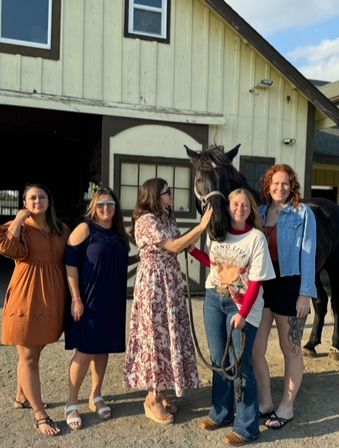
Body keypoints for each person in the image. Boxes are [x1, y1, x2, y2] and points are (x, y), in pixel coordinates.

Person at [123, 178, 213, 425]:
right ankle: (151, 399)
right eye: (167, 192)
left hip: (170, 282)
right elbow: (173, 245)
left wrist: (213, 262)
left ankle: (161, 391)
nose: (171, 195)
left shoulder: (167, 217)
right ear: (154, 196)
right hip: (154, 285)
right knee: (155, 336)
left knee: (169, 334)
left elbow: (185, 245)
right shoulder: (145, 221)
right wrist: (200, 226)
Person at [192, 188, 275, 446]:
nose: (240, 209)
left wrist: (243, 312)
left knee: (241, 365)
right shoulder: (218, 233)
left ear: (251, 209)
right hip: (214, 299)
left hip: (242, 305)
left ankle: (247, 426)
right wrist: (191, 250)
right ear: (227, 208)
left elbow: (256, 281)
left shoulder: (256, 239)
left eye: (245, 205)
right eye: (235, 205)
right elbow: (214, 263)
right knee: (219, 360)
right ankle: (221, 412)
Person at [0, 183, 70, 436]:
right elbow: (7, 249)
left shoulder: (61, 229)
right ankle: (39, 413)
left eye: (41, 196)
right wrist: (19, 219)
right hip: (25, 296)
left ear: (49, 201)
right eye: (31, 198)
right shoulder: (20, 228)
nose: (37, 201)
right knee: (27, 356)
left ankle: (21, 397)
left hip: (51, 296)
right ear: (25, 203)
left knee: (34, 354)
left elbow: (74, 257)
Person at [252, 164, 317, 430]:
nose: (280, 188)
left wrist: (305, 294)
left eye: (285, 184)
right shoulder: (261, 212)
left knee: (290, 348)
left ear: (292, 186)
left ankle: (287, 406)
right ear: (268, 186)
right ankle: (265, 402)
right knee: (256, 349)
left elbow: (309, 255)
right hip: (264, 284)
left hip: (290, 283)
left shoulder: (303, 213)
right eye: (275, 184)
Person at [63, 186, 132, 430]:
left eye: (110, 204)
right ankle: (72, 402)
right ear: (94, 206)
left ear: (116, 208)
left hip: (112, 300)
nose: (106, 208)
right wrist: (76, 298)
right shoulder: (85, 229)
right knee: (86, 351)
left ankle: (96, 395)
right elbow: (70, 263)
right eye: (101, 204)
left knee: (103, 350)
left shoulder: (119, 233)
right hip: (88, 299)